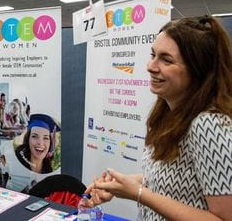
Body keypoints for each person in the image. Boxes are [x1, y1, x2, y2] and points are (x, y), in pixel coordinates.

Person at [85, 16, 232, 220]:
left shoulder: (208, 124)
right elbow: (178, 183)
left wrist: (138, 194)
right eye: (153, 55)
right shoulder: (168, 111)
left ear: (198, 69)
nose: (150, 66)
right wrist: (123, 184)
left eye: (166, 59)